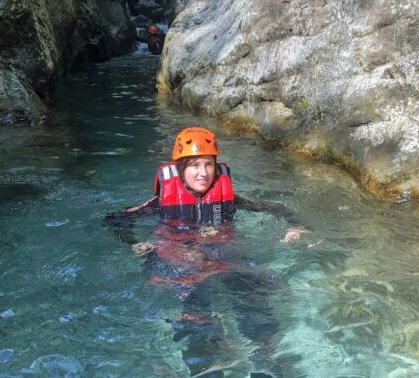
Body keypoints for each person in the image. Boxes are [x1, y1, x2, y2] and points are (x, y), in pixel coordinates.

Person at [104, 127, 307, 376]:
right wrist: (134, 243)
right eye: (195, 165)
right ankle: (206, 364)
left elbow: (276, 208)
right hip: (182, 260)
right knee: (194, 309)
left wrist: (296, 226)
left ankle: (264, 356)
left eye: (209, 164)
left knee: (251, 292)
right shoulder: (161, 203)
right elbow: (116, 219)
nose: (203, 173)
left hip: (223, 256)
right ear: (180, 169)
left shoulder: (228, 198)